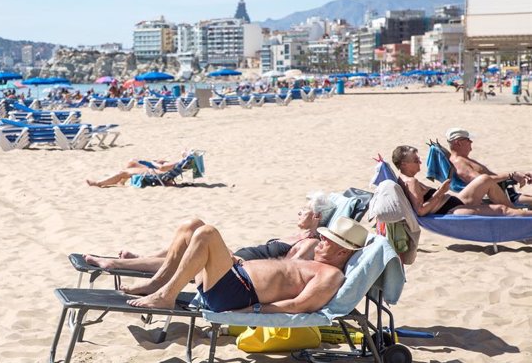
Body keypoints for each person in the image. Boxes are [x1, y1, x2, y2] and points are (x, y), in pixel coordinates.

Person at [124, 216, 368, 313]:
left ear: (343, 251)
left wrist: (252, 312)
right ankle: (157, 284)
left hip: (236, 294)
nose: (321, 240)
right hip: (234, 276)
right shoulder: (314, 260)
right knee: (192, 226)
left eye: (327, 240)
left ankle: (166, 295)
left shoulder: (331, 275)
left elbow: (298, 305)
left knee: (207, 233)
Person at [84, 193, 337, 271]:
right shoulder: (299, 236)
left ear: (316, 216)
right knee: (192, 226)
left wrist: (241, 264)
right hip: (236, 259)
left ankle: (117, 264)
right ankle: (137, 259)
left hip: (238, 269)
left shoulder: (312, 243)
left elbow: (287, 270)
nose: (298, 213)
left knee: (196, 237)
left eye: (303, 210)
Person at [392, 145, 532, 217]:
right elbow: (421, 211)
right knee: (502, 209)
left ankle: (517, 215)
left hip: (452, 202)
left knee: (485, 179)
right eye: (416, 161)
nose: (420, 163)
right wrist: (441, 191)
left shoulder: (402, 179)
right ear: (404, 164)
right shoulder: (411, 182)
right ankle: (517, 215)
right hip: (450, 209)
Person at [446, 128, 532, 206]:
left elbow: (489, 177)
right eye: (468, 140)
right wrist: (510, 176)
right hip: (499, 197)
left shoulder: (463, 159)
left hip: (504, 192)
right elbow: (481, 181)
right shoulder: (459, 162)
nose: (471, 142)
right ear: (458, 143)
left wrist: (518, 175)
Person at [86, 153, 189, 187]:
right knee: (133, 162)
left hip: (155, 173)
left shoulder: (178, 162)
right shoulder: (180, 162)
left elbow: (162, 168)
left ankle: (99, 183)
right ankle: (121, 182)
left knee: (122, 173)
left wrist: (151, 163)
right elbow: (164, 166)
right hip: (158, 172)